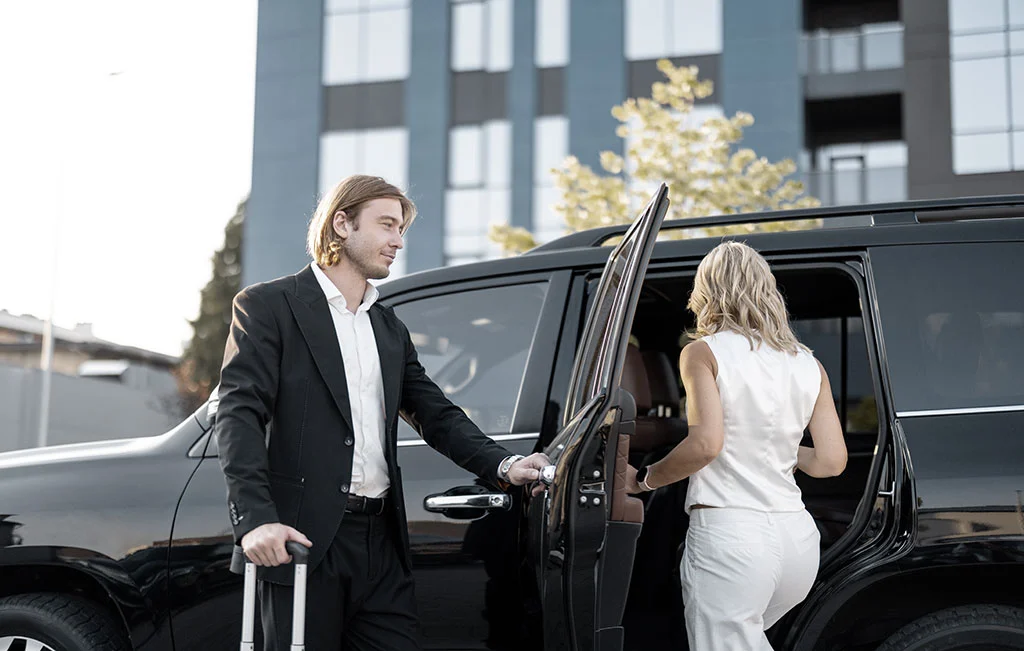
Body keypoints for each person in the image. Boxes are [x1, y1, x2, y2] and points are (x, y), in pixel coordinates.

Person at [215, 174, 550, 650]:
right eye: (387, 225)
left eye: (402, 230)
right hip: (300, 540)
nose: (397, 241)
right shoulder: (270, 306)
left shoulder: (388, 326)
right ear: (342, 223)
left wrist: (505, 464)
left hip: (381, 543)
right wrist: (254, 519)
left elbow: (435, 413)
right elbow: (238, 413)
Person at [625, 240, 848, 651]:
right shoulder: (808, 362)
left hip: (733, 539)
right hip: (798, 542)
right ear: (767, 289)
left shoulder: (702, 354)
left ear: (706, 291)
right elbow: (831, 461)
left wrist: (644, 480)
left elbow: (706, 444)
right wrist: (774, 450)